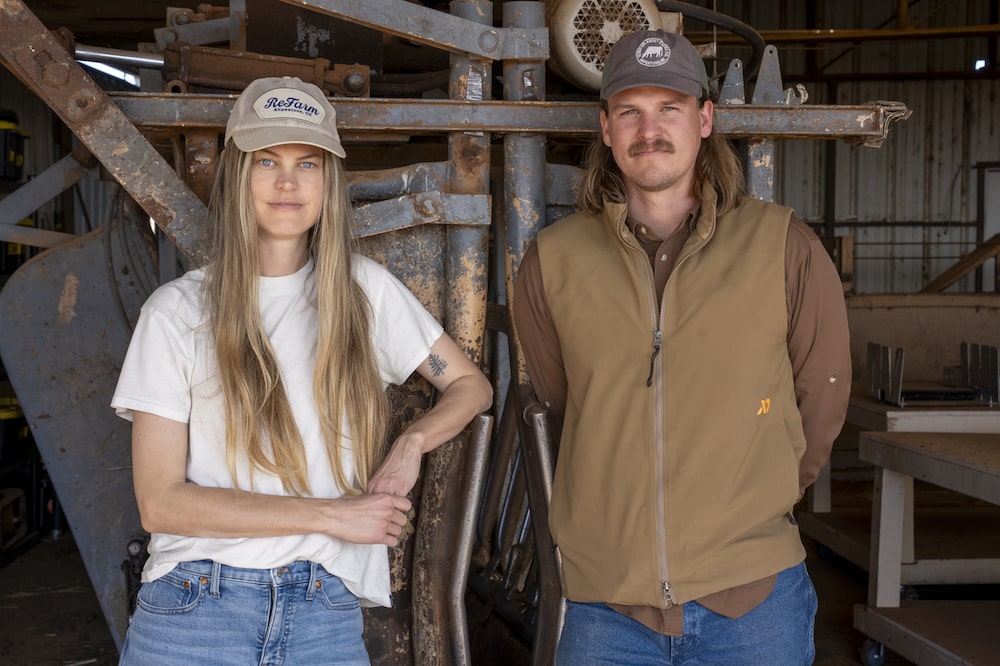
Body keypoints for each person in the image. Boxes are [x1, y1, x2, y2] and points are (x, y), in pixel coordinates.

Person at [110, 76, 493, 665]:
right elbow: (161, 503)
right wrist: (334, 515)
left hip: (323, 611)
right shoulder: (177, 312)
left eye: (307, 164)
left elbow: (470, 385)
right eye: (267, 160)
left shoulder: (366, 295)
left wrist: (411, 443)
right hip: (195, 609)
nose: (287, 182)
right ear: (239, 176)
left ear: (327, 183)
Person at [512, 30, 851, 664]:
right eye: (630, 111)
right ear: (606, 127)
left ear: (704, 119)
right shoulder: (553, 262)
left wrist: (756, 497)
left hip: (754, 604)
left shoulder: (782, 246)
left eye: (669, 108)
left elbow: (822, 398)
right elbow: (567, 406)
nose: (650, 129)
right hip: (607, 611)